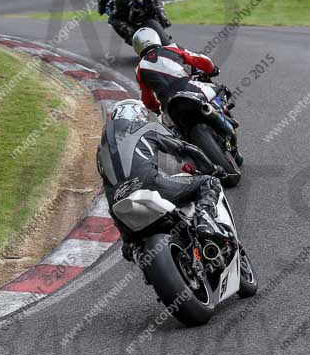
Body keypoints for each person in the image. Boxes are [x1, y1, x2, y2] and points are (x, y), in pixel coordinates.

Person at [96, 99, 232, 260]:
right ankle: (205, 222)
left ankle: (134, 248)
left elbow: (107, 187)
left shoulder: (100, 149)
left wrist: (125, 237)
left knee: (130, 246)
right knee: (209, 182)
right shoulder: (146, 127)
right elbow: (185, 148)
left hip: (118, 205)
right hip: (150, 185)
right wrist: (213, 168)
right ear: (139, 114)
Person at [133, 27, 242, 167]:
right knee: (222, 91)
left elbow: (147, 98)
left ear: (137, 47)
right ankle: (225, 116)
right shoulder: (171, 48)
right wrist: (212, 69)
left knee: (173, 134)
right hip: (190, 89)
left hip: (168, 106)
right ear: (156, 38)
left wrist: (156, 109)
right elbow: (199, 60)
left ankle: (191, 161)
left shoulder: (139, 69)